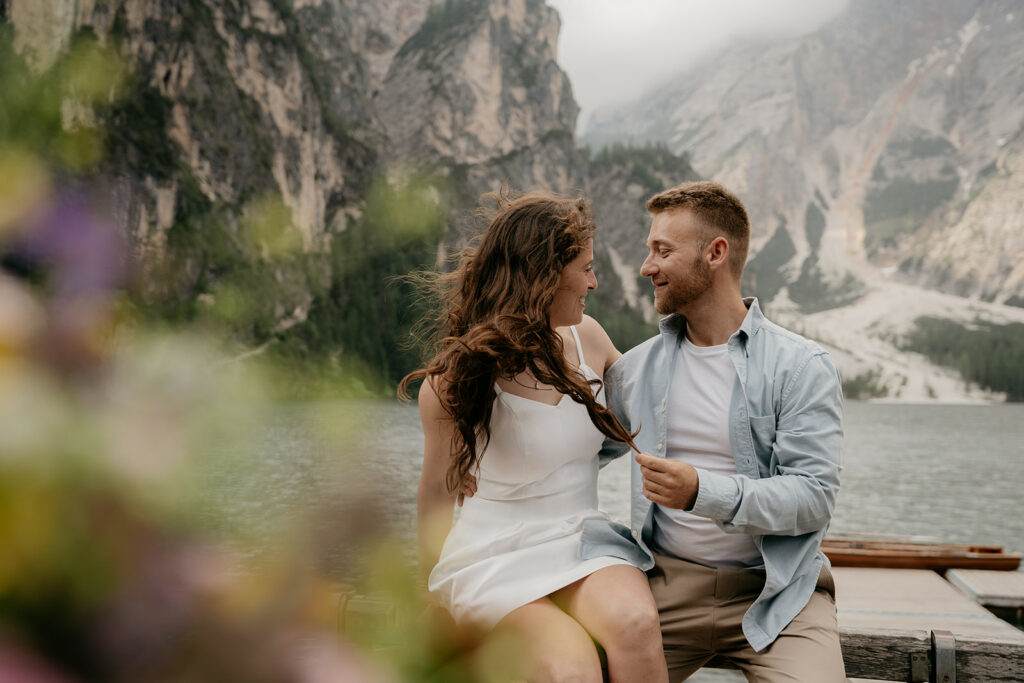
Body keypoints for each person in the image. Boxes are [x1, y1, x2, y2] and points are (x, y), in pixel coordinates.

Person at [581, 181, 846, 681]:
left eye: (663, 251)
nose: (647, 267)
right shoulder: (635, 371)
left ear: (715, 253)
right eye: (648, 251)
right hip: (663, 587)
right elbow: (575, 454)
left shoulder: (801, 366)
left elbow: (813, 498)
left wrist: (702, 491)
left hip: (779, 592)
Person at [400, 190, 668, 682]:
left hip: (582, 539)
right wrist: (428, 592)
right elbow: (436, 494)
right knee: (570, 668)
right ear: (542, 273)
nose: (594, 281)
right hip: (494, 555)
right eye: (584, 268)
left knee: (636, 625)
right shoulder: (452, 383)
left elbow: (656, 405)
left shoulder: (589, 338)